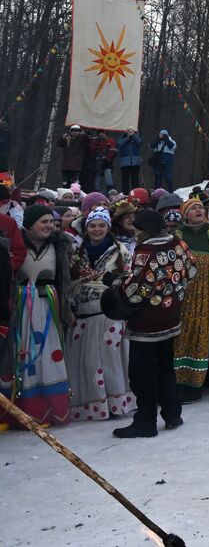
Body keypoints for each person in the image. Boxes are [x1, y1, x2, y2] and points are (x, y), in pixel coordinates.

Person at [114, 208, 193, 438]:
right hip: (171, 316)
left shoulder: (146, 251)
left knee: (142, 373)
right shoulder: (179, 244)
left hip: (146, 322)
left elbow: (138, 289)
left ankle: (145, 421)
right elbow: (191, 270)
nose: (134, 233)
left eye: (136, 228)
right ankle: (172, 413)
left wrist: (118, 285)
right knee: (166, 367)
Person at [67, 207, 135, 421]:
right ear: (86, 228)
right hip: (83, 315)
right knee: (87, 361)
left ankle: (115, 403)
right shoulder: (77, 253)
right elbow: (69, 279)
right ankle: (92, 405)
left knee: (110, 360)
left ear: (108, 227)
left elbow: (128, 278)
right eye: (93, 226)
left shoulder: (120, 250)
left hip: (109, 313)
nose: (97, 230)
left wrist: (109, 284)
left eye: (101, 226)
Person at [8, 204, 73, 426]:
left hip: (49, 307)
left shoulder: (60, 246)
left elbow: (67, 279)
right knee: (25, 354)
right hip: (21, 307)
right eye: (43, 222)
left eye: (51, 222)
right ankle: (27, 411)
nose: (49, 226)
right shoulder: (16, 246)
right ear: (29, 224)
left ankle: (53, 409)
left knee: (49, 354)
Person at [174, 198, 209, 401]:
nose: (198, 210)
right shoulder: (176, 235)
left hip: (207, 293)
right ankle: (177, 382)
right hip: (183, 294)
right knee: (180, 335)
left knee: (201, 336)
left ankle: (195, 385)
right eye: (193, 208)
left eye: (201, 207)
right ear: (185, 214)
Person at [57, 125, 88, 190]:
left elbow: (88, 142)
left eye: (77, 131)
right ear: (71, 131)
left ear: (80, 132)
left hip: (76, 165)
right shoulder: (67, 138)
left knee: (74, 183)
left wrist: (84, 135)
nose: (75, 132)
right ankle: (65, 193)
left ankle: (74, 195)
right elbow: (59, 144)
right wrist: (62, 138)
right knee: (65, 182)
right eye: (73, 131)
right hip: (66, 165)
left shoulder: (82, 139)